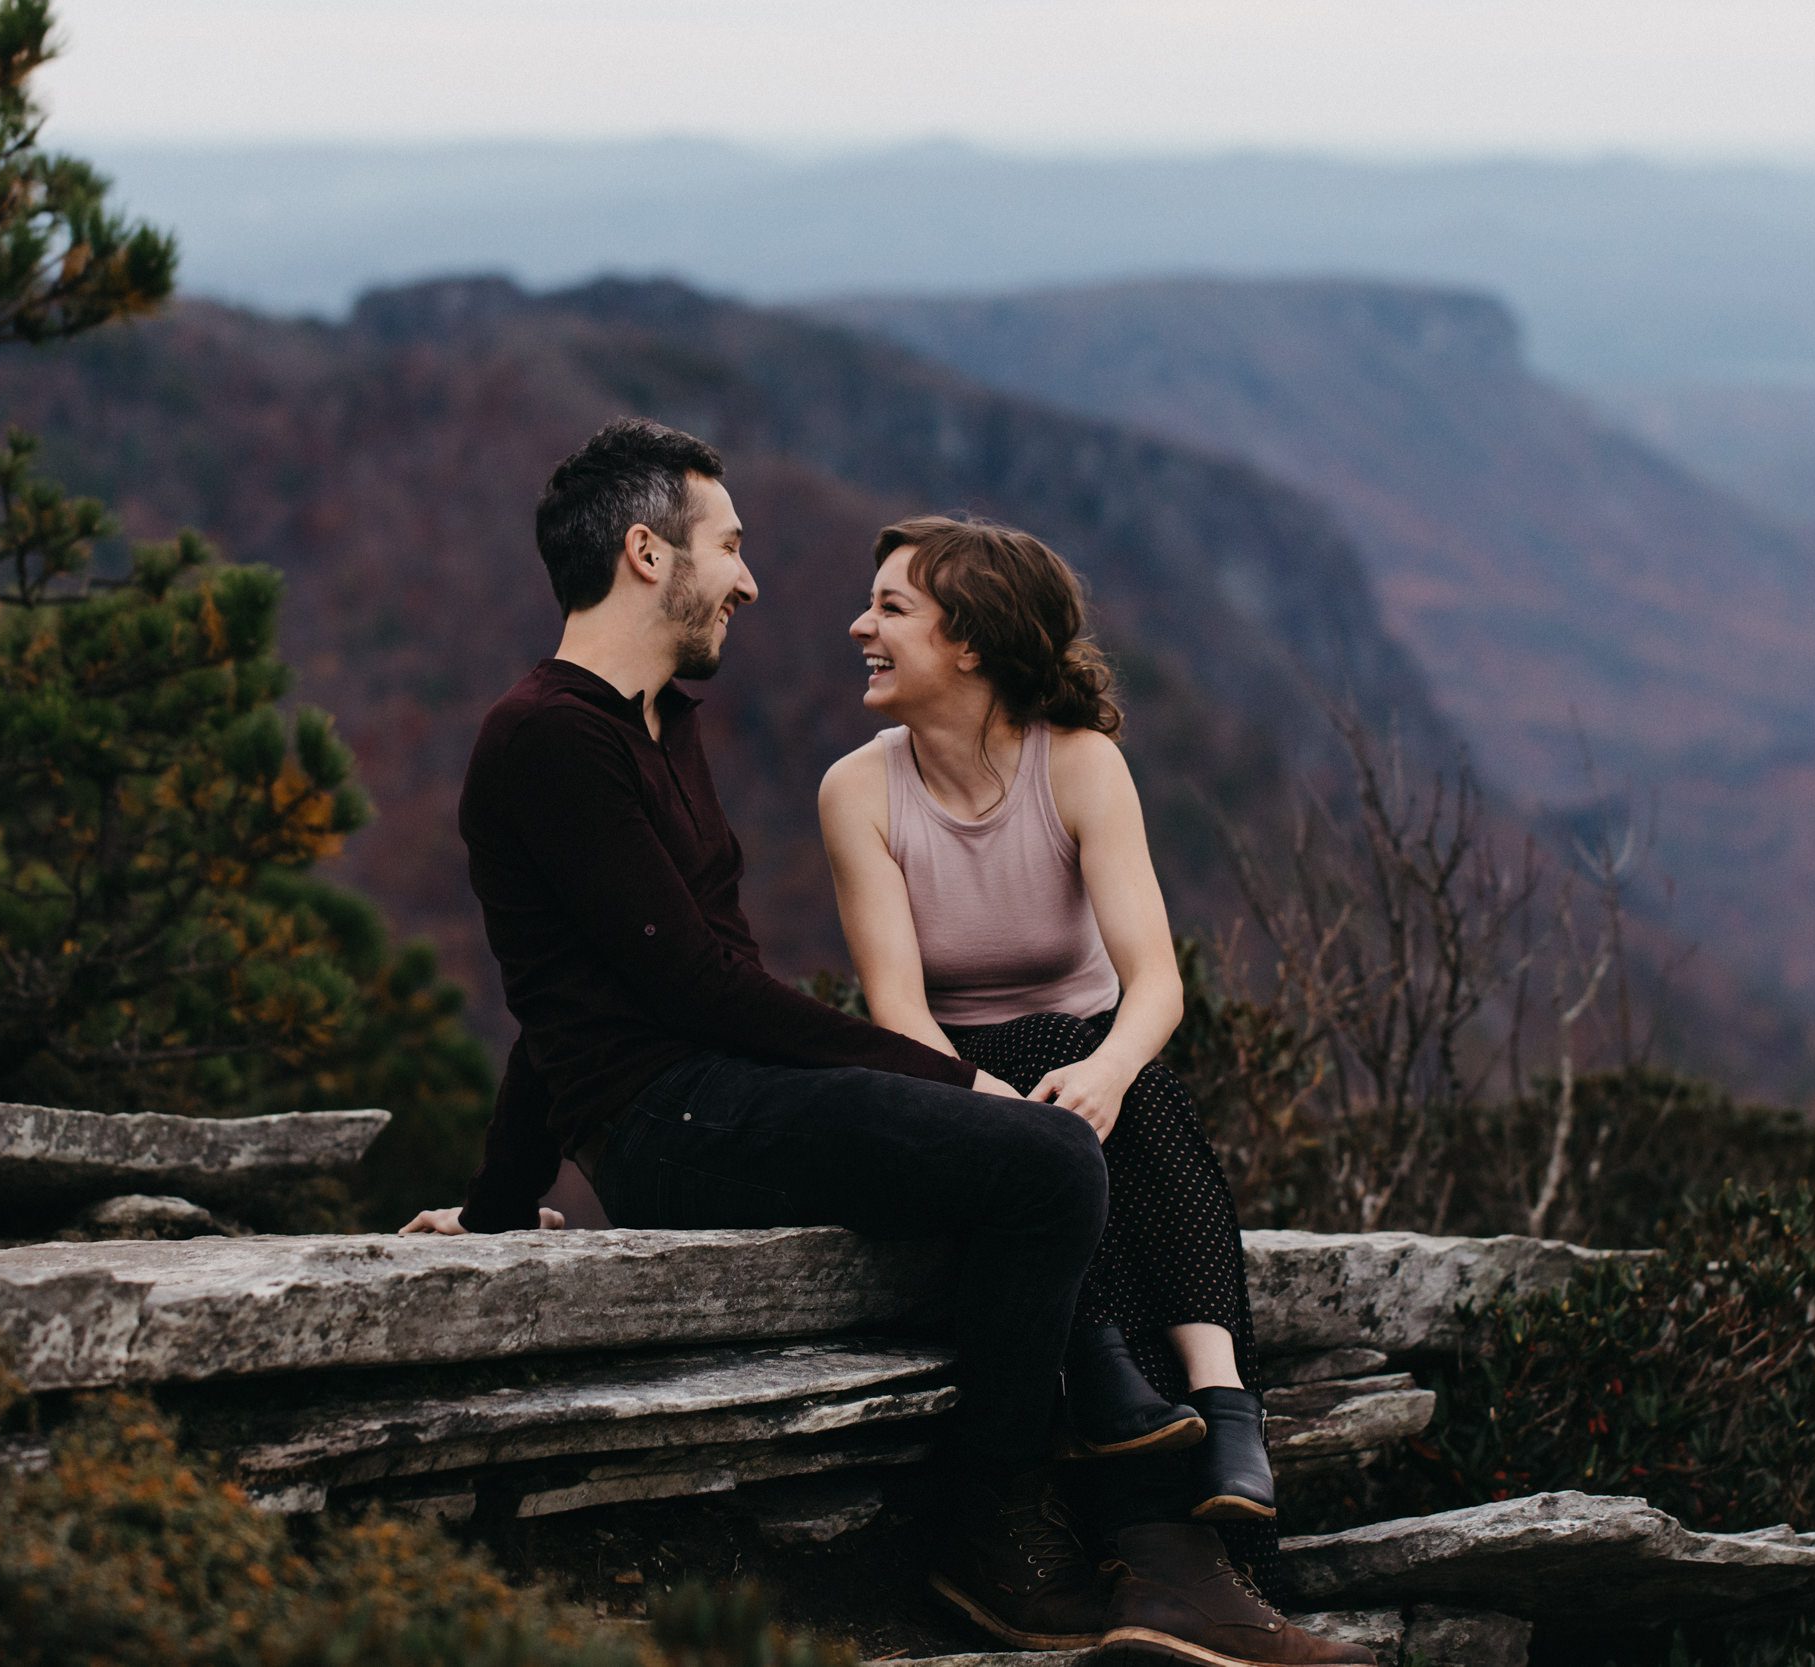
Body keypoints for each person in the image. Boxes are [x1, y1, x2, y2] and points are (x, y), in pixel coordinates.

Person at [403, 420, 1116, 1652]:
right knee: (1045, 1160)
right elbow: (695, 987)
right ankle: (985, 1538)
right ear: (646, 552)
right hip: (671, 1121)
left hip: (707, 1091)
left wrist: (500, 1208)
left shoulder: (659, 727)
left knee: (1043, 1158)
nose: (747, 577)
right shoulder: (546, 737)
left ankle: (1111, 1411)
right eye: (727, 545)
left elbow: (560, 998)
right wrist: (957, 1079)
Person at [819, 515, 1373, 1667]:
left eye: (890, 609)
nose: (859, 627)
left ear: (969, 644)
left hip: (1091, 1081)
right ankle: (1193, 1448)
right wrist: (1002, 1102)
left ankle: (1197, 1404)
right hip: (948, 1092)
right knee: (1034, 1067)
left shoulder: (1076, 762)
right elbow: (896, 1016)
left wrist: (1109, 1070)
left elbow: (1155, 981)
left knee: (1101, 1069)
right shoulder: (857, 792)